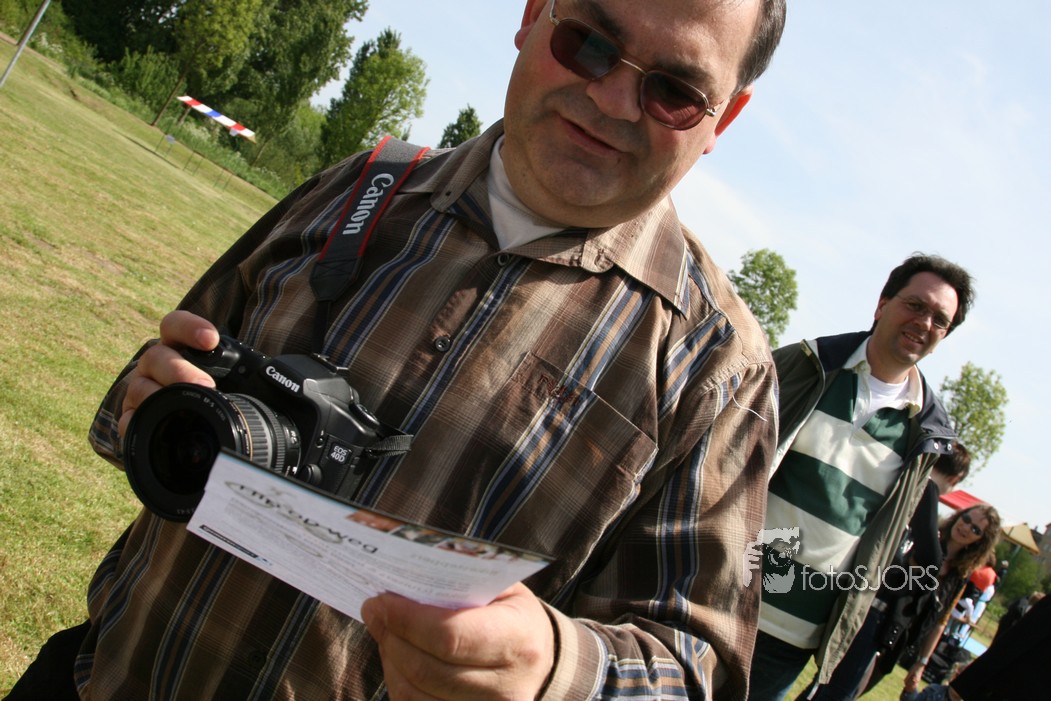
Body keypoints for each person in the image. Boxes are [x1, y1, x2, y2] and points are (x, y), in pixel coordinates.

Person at [6, 1, 788, 700]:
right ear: (532, 15)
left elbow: (696, 666)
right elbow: (146, 388)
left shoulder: (718, 366)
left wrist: (556, 669)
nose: (612, 99)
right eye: (586, 42)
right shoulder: (361, 184)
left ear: (722, 119)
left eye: (673, 91)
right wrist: (151, 401)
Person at [747, 253, 977, 701]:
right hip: (717, 598)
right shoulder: (807, 363)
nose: (924, 322)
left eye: (939, 319)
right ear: (882, 303)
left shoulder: (926, 433)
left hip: (793, 640)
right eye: (915, 305)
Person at [790, 442, 972, 701]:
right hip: (870, 604)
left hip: (834, 575)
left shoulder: (898, 471)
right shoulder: (926, 487)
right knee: (837, 689)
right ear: (954, 479)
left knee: (818, 681)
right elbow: (932, 560)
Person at [899, 504, 1001, 698]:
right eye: (966, 519)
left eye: (975, 530)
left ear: (980, 541)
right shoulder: (927, 542)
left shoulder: (961, 575)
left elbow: (941, 621)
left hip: (905, 642)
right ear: (958, 516)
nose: (966, 527)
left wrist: (921, 662)